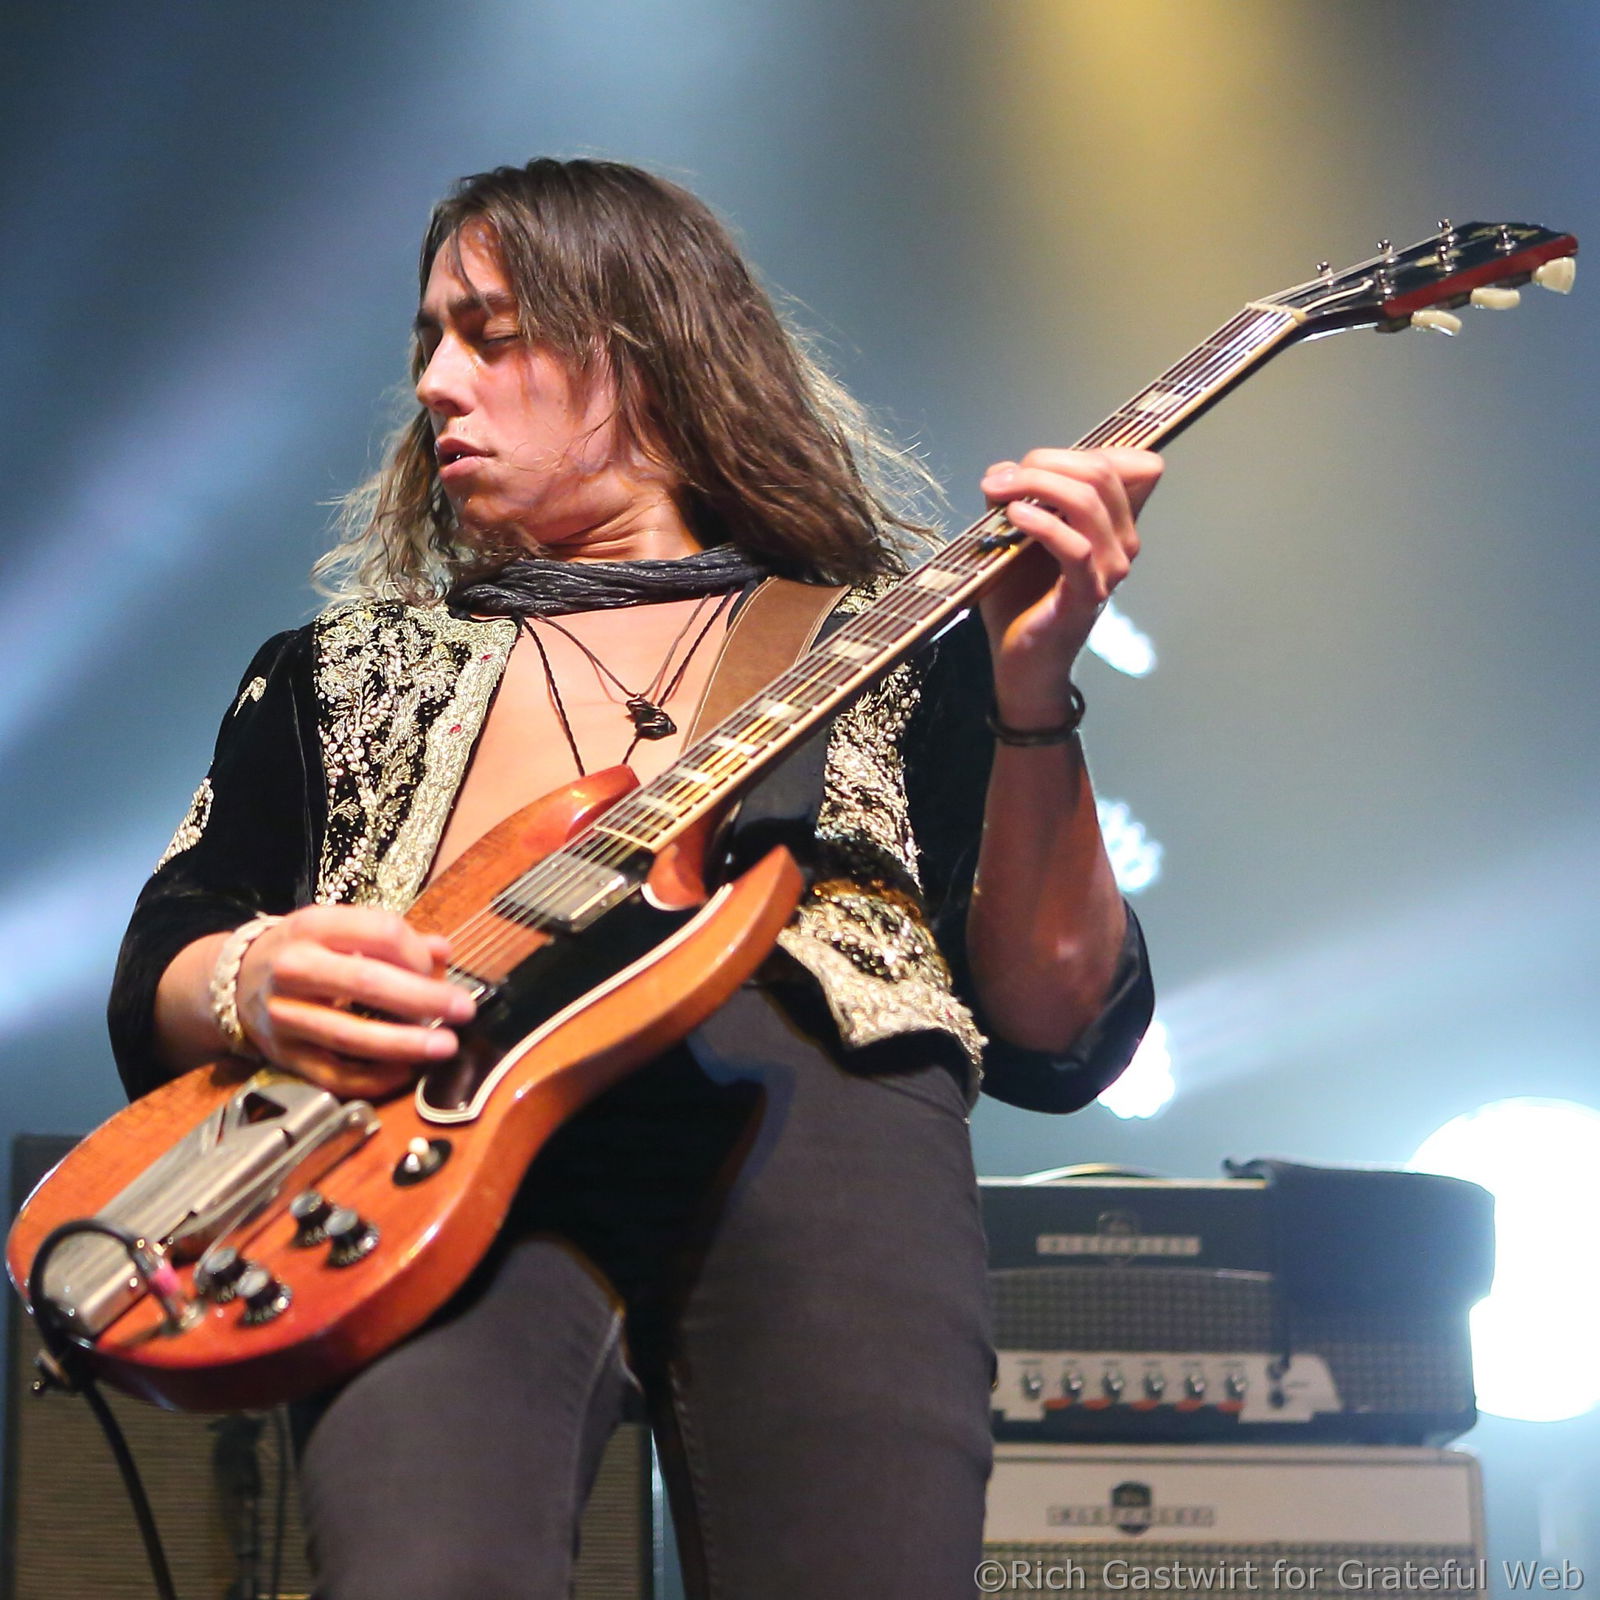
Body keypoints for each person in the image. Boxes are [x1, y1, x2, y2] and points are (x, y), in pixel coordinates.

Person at [108, 158, 1159, 1599]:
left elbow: (1061, 1028)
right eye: (428, 342)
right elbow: (162, 955)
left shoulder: (891, 644)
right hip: (427, 1163)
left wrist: (1034, 694)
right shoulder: (335, 671)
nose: (435, 382)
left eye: (490, 334)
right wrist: (250, 976)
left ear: (644, 353)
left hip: (819, 1130)